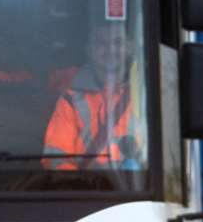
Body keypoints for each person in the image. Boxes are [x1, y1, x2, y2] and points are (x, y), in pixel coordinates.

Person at [41, 19, 143, 169]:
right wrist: (84, 187)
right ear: (89, 50)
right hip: (88, 190)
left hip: (141, 190)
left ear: (129, 47)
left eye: (117, 42)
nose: (110, 49)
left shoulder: (146, 93)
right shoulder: (70, 101)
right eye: (101, 43)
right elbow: (55, 161)